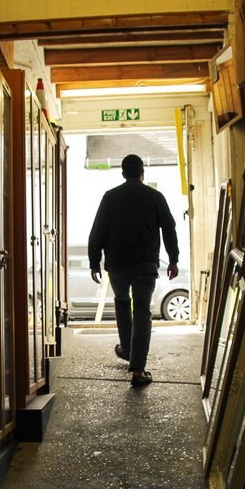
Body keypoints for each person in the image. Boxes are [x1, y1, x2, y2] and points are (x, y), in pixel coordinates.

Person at [88, 153, 180, 387]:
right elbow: (169, 228)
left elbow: (97, 230)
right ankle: (138, 369)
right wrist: (173, 259)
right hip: (145, 265)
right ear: (142, 173)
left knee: (121, 302)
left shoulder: (110, 197)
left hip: (117, 265)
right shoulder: (154, 196)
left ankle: (128, 349)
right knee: (141, 312)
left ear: (122, 173)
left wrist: (93, 261)